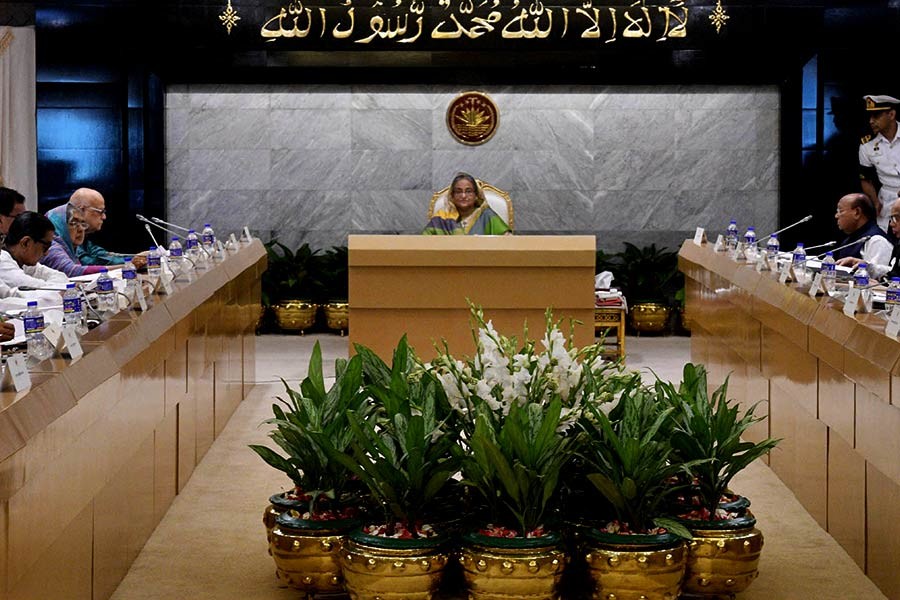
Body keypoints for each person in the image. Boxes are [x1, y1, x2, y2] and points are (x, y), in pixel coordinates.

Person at [67, 188, 147, 268]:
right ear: (82, 210)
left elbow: (101, 254)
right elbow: (88, 262)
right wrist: (130, 262)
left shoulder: (84, 238)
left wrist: (137, 258)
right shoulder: (63, 233)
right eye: (100, 211)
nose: (104, 217)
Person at [859, 95, 900, 230]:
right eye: (870, 116)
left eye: (876, 116)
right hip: (887, 199)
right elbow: (865, 179)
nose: (871, 121)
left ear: (891, 114)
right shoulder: (867, 144)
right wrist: (875, 202)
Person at [423, 173, 511, 235]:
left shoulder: (487, 215)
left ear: (476, 195)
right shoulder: (441, 219)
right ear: (452, 196)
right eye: (458, 192)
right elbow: (425, 244)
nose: (464, 196)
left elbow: (508, 242)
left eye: (468, 191)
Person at [0, 211, 68, 291]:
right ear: (25, 243)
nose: (46, 253)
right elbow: (37, 288)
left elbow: (60, 277)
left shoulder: (22, 261)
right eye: (45, 247)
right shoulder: (2, 263)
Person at [833, 193, 893, 277]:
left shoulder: (877, 240)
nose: (836, 216)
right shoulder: (851, 237)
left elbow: (875, 277)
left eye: (840, 211)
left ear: (857, 212)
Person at [41, 203, 107, 277]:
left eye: (83, 223)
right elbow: (71, 271)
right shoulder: (50, 247)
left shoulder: (73, 249)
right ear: (59, 225)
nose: (81, 229)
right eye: (73, 223)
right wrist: (116, 269)